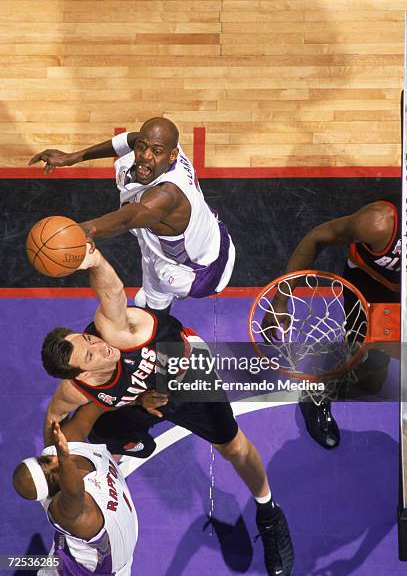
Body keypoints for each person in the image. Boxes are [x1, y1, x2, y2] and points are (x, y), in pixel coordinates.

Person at [41, 245, 294, 576]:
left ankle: (269, 511)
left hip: (183, 366)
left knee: (232, 446)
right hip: (143, 393)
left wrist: (96, 260)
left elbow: (113, 291)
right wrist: (55, 472)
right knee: (97, 430)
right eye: (90, 356)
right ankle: (124, 445)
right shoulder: (75, 390)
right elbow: (54, 420)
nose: (99, 347)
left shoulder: (114, 332)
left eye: (87, 341)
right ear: (81, 375)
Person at [29, 117, 235, 313]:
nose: (146, 155)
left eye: (156, 151)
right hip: (206, 231)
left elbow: (130, 217)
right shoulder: (166, 147)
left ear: (172, 155)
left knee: (163, 277)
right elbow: (130, 139)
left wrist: (87, 229)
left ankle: (175, 325)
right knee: (151, 302)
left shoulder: (168, 194)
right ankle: (159, 321)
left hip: (203, 271)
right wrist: (73, 157)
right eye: (142, 147)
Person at [262, 198, 401, 450]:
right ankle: (316, 393)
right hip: (371, 288)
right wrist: (280, 300)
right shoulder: (378, 223)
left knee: (374, 372)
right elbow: (317, 238)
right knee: (366, 361)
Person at [13, 413, 138, 575]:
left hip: (105, 558)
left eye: (44, 460)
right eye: (54, 470)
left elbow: (63, 411)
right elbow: (75, 493)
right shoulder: (64, 511)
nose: (53, 459)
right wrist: (64, 457)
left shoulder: (60, 450)